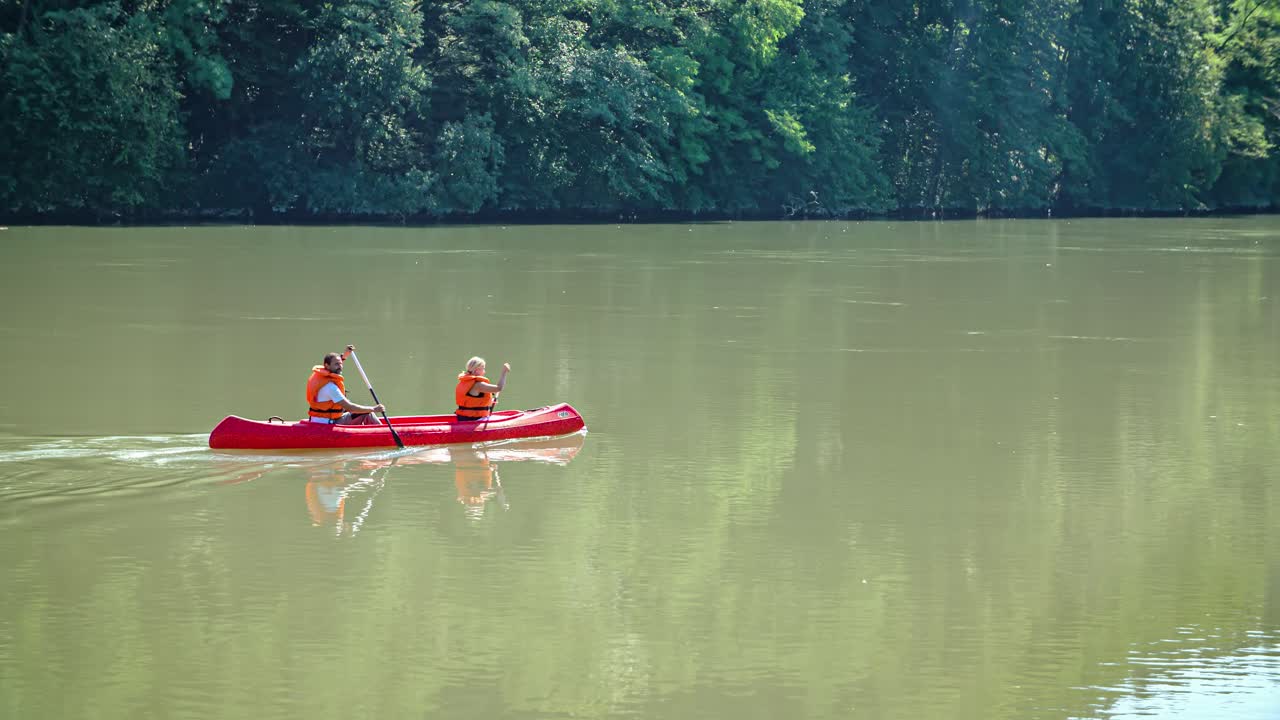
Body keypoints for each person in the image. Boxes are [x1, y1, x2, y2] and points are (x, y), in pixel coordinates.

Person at [306, 344, 384, 425]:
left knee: (358, 410)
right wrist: (373, 409)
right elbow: (349, 407)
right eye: (337, 364)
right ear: (327, 365)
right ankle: (385, 434)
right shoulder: (330, 387)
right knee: (367, 412)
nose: (340, 366)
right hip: (328, 424)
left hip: (318, 419)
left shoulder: (320, 376)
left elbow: (334, 364)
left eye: (340, 363)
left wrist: (345, 355)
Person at [455, 356, 509, 422]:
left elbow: (471, 401)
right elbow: (499, 388)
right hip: (474, 419)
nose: (484, 372)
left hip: (462, 418)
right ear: (476, 370)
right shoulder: (478, 385)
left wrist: (489, 401)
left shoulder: (465, 381)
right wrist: (504, 372)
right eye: (483, 369)